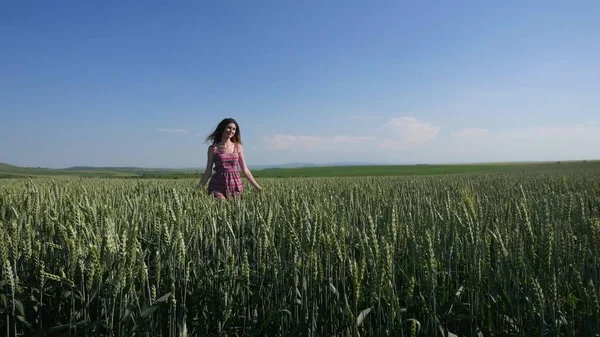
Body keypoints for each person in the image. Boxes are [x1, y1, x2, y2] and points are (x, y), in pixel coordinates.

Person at [195, 118, 262, 199]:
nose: (231, 131)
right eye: (229, 127)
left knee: (235, 209)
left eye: (234, 129)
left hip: (235, 185)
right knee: (220, 206)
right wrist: (198, 188)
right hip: (217, 185)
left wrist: (258, 188)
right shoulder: (213, 149)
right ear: (222, 128)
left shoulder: (238, 147)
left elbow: (245, 170)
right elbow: (208, 171)